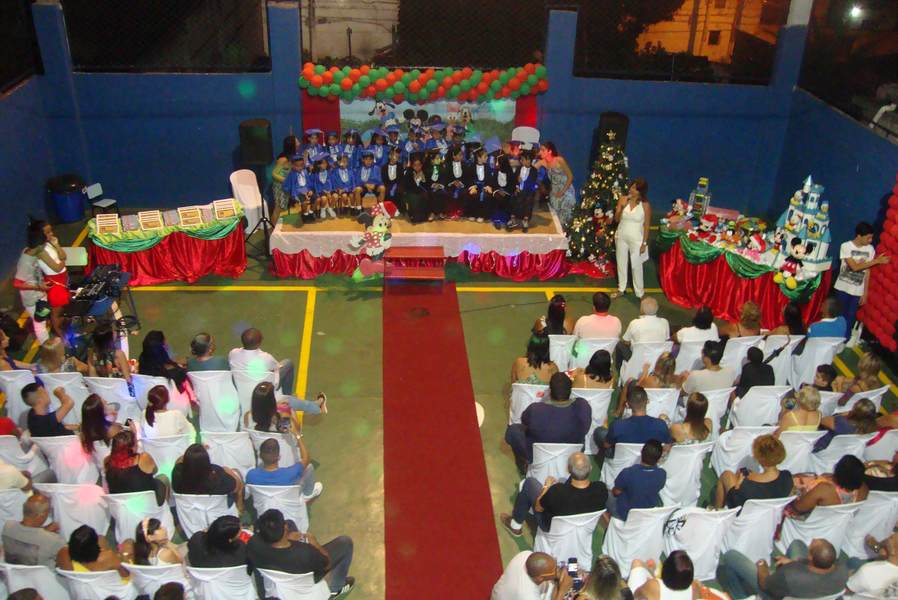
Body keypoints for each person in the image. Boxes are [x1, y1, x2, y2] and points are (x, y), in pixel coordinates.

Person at [248, 508, 355, 597]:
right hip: (304, 579)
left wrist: (287, 538)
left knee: (291, 522)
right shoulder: (305, 552)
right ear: (285, 528)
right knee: (345, 542)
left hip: (276, 578)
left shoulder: (253, 545)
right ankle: (335, 588)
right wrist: (314, 543)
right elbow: (327, 564)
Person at [500, 452, 607, 536]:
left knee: (529, 483)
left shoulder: (557, 491)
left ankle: (515, 525)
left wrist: (546, 486)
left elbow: (538, 508)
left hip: (551, 527)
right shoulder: (601, 489)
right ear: (591, 468)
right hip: (582, 528)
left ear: (568, 469)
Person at [716, 538, 849, 600]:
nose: (813, 539)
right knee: (797, 544)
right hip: (811, 591)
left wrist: (762, 565)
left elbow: (764, 584)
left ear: (811, 558)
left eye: (812, 544)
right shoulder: (843, 571)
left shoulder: (790, 575)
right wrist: (794, 562)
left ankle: (740, 596)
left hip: (775, 592)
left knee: (731, 556)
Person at [505, 373, 591, 463]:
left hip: (538, 456)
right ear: (570, 391)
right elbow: (586, 429)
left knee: (513, 430)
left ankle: (526, 463)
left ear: (550, 391)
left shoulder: (535, 409)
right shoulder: (583, 406)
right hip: (571, 456)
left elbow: (524, 421)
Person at [834, 221, 890, 342]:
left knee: (851, 316)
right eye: (868, 238)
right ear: (859, 236)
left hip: (857, 290)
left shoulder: (870, 249)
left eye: (872, 237)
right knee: (839, 315)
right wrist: (876, 261)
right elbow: (854, 267)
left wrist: (865, 292)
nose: (870, 240)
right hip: (843, 287)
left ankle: (845, 340)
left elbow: (867, 271)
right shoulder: (846, 246)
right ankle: (834, 337)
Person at [713, 434, 793, 508]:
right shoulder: (787, 477)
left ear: (759, 457)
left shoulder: (747, 484)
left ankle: (717, 510)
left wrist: (738, 484)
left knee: (726, 475)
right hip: (767, 514)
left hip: (742, 511)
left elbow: (737, 497)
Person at [13, 220, 57, 344]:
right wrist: (38, 287)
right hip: (32, 300)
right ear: (38, 246)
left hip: (40, 294)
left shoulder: (30, 251)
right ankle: (48, 347)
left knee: (44, 317)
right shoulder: (25, 262)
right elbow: (17, 283)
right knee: (39, 323)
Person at [785, 455, 868, 519]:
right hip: (836, 525)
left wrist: (803, 492)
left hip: (811, 523)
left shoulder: (824, 489)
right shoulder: (864, 489)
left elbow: (797, 509)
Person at [597, 385, 672, 455]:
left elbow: (606, 445)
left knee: (599, 432)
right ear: (647, 401)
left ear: (627, 405)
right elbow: (667, 446)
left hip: (624, 457)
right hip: (649, 459)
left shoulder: (617, 425)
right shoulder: (661, 425)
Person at [172, 444, 243, 512]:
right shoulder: (217, 476)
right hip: (217, 513)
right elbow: (236, 487)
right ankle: (240, 505)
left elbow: (178, 462)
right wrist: (227, 470)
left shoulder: (177, 475)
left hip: (190, 513)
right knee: (236, 472)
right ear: (207, 460)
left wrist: (192, 455)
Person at [246, 437, 323, 500]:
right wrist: (298, 436)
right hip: (288, 500)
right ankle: (308, 494)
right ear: (279, 457)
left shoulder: (250, 475)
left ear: (260, 456)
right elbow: (307, 458)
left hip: (264, 505)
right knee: (309, 467)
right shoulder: (291, 473)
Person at [105, 430, 169, 506]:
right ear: (131, 448)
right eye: (136, 443)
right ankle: (164, 510)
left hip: (122, 506)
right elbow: (155, 470)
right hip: (147, 504)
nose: (138, 445)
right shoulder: (144, 458)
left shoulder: (107, 461)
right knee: (163, 478)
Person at [607, 440, 666, 521]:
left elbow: (616, 492)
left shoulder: (628, 473)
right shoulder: (662, 474)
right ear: (658, 458)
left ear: (641, 451)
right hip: (647, 514)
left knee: (604, 492)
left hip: (625, 514)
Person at [2, 493, 66, 569]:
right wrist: (46, 533)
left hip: (13, 575)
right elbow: (66, 566)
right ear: (42, 515)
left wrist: (46, 530)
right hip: (44, 576)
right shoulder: (55, 540)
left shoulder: (8, 526)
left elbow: (27, 535)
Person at [613, 178, 651, 299]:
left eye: (635, 188)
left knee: (636, 266)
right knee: (621, 263)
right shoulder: (623, 199)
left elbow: (647, 226)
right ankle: (621, 289)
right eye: (631, 187)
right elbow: (616, 219)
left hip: (637, 239)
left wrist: (644, 243)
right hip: (621, 236)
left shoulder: (645, 205)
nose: (631, 190)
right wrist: (621, 207)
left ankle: (640, 293)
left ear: (640, 191)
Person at [229, 327, 294, 393]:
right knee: (288, 363)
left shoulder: (233, 353)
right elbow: (277, 367)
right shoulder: (266, 357)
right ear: (258, 343)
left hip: (242, 388)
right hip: (264, 390)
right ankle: (287, 395)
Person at [245, 381, 326, 432]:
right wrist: (290, 411)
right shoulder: (281, 418)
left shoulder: (247, 416)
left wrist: (277, 405)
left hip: (266, 446)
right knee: (290, 401)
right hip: (285, 447)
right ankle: (317, 406)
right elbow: (297, 431)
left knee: (288, 399)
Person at [491, 550, 573, 600]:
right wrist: (562, 590)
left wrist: (555, 575)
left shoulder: (525, 554)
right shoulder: (528, 596)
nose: (558, 568)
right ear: (540, 578)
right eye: (555, 570)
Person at [57, 524, 130, 579]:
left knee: (102, 538)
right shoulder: (109, 557)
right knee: (128, 542)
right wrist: (123, 555)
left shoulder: (63, 553)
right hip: (110, 590)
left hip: (79, 590)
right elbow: (126, 574)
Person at [138, 330, 191, 403]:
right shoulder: (175, 373)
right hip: (173, 403)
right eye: (164, 342)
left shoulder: (143, 363)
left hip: (148, 400)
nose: (166, 343)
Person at [629, 551, 699, 600]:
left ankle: (652, 570)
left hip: (645, 590)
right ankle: (652, 571)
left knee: (636, 562)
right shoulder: (695, 587)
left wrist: (650, 581)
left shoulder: (654, 586)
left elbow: (636, 595)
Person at [538, 141, 576, 230]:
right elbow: (531, 169)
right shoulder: (542, 162)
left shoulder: (559, 160)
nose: (540, 152)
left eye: (543, 150)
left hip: (565, 191)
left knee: (566, 220)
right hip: (555, 194)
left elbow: (570, 176)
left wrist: (562, 192)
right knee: (556, 221)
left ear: (549, 151)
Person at [846, 532, 898, 598]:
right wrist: (877, 547)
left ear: (893, 551)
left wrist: (850, 575)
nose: (889, 536)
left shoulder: (869, 570)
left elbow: (847, 590)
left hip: (853, 593)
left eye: (891, 538)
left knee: (852, 562)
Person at [270, 134, 301, 224]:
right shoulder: (283, 159)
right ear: (292, 145)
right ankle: (272, 228)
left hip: (286, 185)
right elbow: (274, 174)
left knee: (283, 207)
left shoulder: (293, 156)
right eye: (297, 142)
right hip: (279, 186)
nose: (299, 143)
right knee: (278, 208)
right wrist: (286, 180)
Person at [507, 150, 540, 232]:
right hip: (518, 190)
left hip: (528, 191)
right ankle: (513, 219)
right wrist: (516, 186)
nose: (521, 161)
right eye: (521, 159)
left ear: (529, 160)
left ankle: (525, 220)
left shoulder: (534, 171)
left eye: (523, 159)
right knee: (513, 198)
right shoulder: (519, 168)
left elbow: (533, 184)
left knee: (528, 199)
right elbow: (514, 180)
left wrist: (524, 185)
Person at [283, 154, 316, 222]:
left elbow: (309, 182)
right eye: (297, 166)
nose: (300, 167)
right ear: (292, 166)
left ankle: (311, 212)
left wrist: (310, 190)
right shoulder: (291, 175)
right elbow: (286, 186)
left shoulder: (305, 172)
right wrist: (296, 192)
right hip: (297, 192)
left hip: (307, 189)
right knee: (304, 201)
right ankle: (305, 214)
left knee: (316, 198)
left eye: (301, 165)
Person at [400, 152, 429, 223]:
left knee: (425, 196)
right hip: (411, 192)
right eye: (415, 165)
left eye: (419, 165)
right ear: (412, 165)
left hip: (421, 192)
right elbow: (406, 186)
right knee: (414, 198)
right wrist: (415, 179)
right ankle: (413, 215)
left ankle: (424, 216)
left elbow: (427, 185)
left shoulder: (424, 172)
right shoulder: (409, 172)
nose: (417, 167)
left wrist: (423, 179)